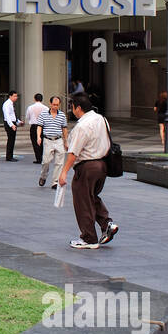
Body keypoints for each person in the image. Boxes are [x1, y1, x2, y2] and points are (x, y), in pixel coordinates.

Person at [58, 94, 117, 250]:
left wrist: (64, 172)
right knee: (91, 197)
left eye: (72, 107)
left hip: (87, 166)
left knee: (83, 201)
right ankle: (107, 224)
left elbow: (74, 152)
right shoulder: (101, 119)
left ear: (78, 108)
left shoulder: (83, 126)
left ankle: (89, 238)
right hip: (102, 165)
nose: (72, 110)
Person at [38, 96, 69, 188]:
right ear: (50, 104)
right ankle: (43, 176)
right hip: (48, 140)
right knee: (46, 161)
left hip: (58, 140)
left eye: (57, 105)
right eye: (54, 104)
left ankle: (55, 182)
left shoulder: (62, 115)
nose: (55, 106)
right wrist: (38, 137)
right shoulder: (43, 114)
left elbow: (64, 128)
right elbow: (39, 126)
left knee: (59, 163)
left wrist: (65, 141)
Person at [25, 93, 48, 164]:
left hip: (34, 126)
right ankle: (42, 157)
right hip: (42, 126)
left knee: (35, 142)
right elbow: (47, 118)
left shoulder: (30, 107)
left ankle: (38, 158)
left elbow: (27, 117)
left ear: (34, 99)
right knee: (42, 142)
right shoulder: (46, 108)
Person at [2, 90, 22, 161]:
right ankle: (9, 157)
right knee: (11, 140)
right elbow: (7, 116)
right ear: (10, 96)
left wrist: (18, 121)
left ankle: (10, 156)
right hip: (9, 123)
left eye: (16, 96)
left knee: (12, 140)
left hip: (12, 122)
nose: (16, 97)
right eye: (14, 96)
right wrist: (12, 125)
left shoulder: (11, 104)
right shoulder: (7, 104)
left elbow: (13, 115)